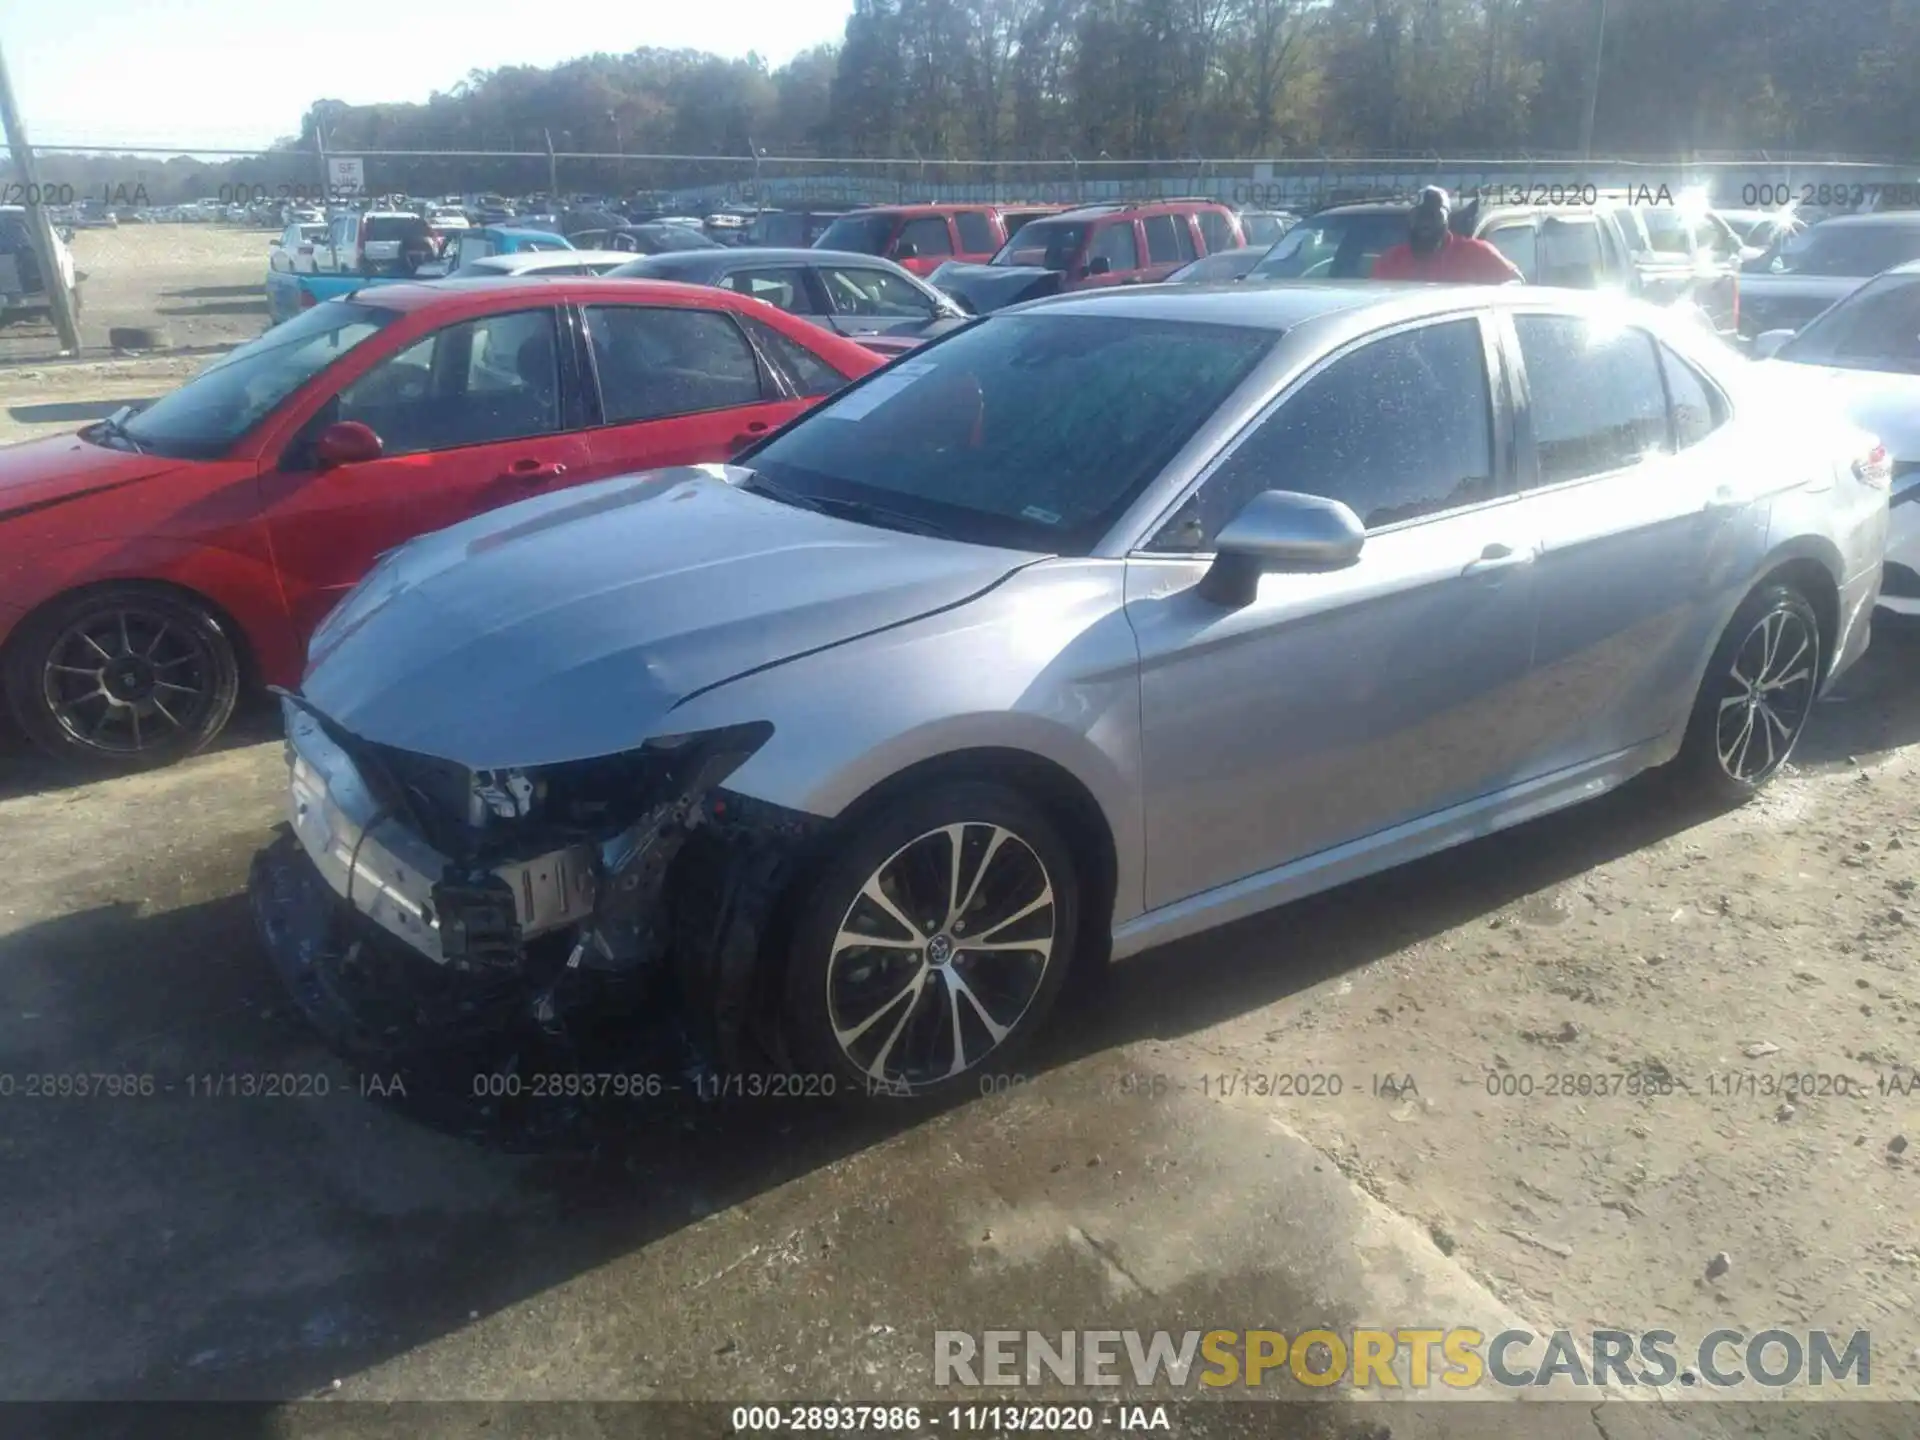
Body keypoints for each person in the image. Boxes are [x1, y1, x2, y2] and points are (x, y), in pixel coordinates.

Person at [1371, 187, 1524, 283]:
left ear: (1447, 220)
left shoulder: (1477, 254)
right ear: (1410, 219)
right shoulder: (1391, 261)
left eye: (1433, 216)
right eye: (1420, 216)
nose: (1425, 223)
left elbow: (1517, 284)